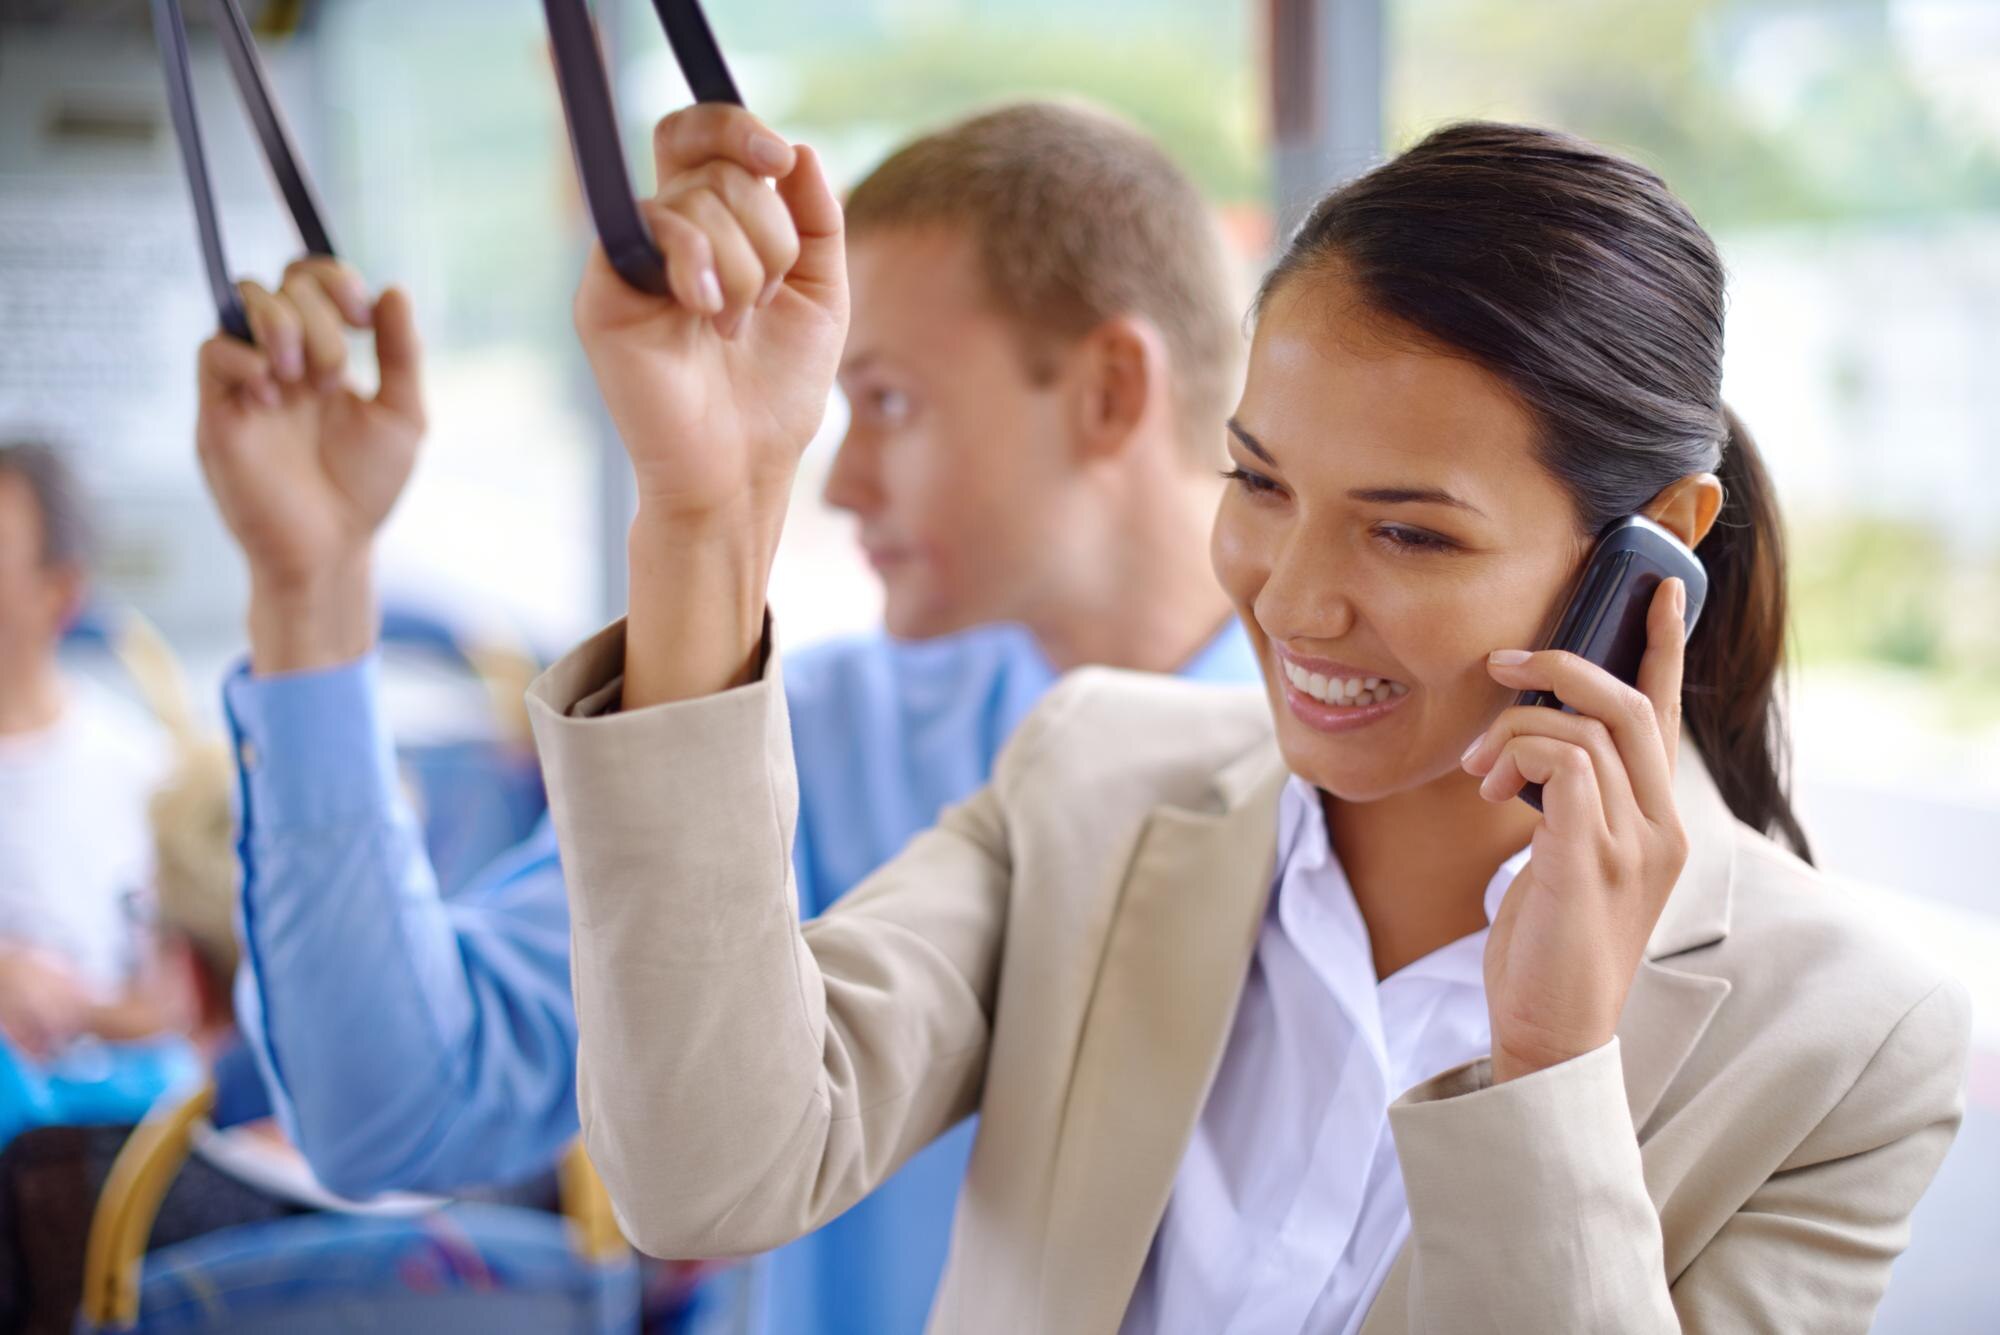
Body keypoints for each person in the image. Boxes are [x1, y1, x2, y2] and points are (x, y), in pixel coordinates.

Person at [525, 110, 1972, 1333]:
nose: (1291, 599)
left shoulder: (1844, 1045)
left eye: (1408, 534)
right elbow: (705, 1167)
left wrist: (1555, 1071)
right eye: (1261, 484)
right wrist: (707, 510)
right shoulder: (1093, 775)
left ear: (1652, 541)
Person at [191, 102, 1257, 1333]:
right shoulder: (799, 740)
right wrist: (309, 590)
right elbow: (395, 1107)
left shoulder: (1376, 807)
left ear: (1109, 390)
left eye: (890, 401)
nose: (841, 482)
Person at [0, 441, 177, 1064]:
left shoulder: (143, 773)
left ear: (62, 590)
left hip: (86, 1140)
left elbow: (178, 1006)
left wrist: (69, 1005)